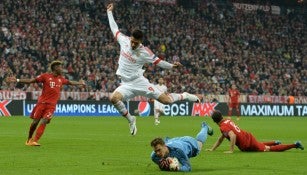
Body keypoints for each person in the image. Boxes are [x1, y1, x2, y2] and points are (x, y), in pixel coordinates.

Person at [106, 3, 201, 135]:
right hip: (126, 84)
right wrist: (109, 12)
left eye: (136, 43)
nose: (133, 44)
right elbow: (114, 28)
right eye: (132, 41)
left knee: (166, 101)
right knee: (113, 98)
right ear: (131, 38)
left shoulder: (145, 52)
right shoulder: (124, 40)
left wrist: (172, 66)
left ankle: (184, 95)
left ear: (141, 41)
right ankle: (131, 119)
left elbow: (159, 62)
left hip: (139, 82)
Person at [6, 60, 85, 146]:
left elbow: (70, 83)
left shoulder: (61, 79)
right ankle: (29, 139)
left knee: (44, 120)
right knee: (35, 122)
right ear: (55, 68)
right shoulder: (45, 76)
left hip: (51, 106)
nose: (61, 69)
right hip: (42, 103)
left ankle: (34, 140)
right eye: (60, 67)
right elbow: (31, 81)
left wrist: (79, 83)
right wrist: (17, 80)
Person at [207, 110, 304, 153]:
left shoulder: (223, 127)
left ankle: (295, 145)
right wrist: (212, 149)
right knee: (260, 144)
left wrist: (231, 150)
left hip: (247, 144)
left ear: (214, 121)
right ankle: (275, 142)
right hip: (247, 136)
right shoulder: (227, 120)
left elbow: (232, 136)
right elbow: (221, 138)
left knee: (268, 149)